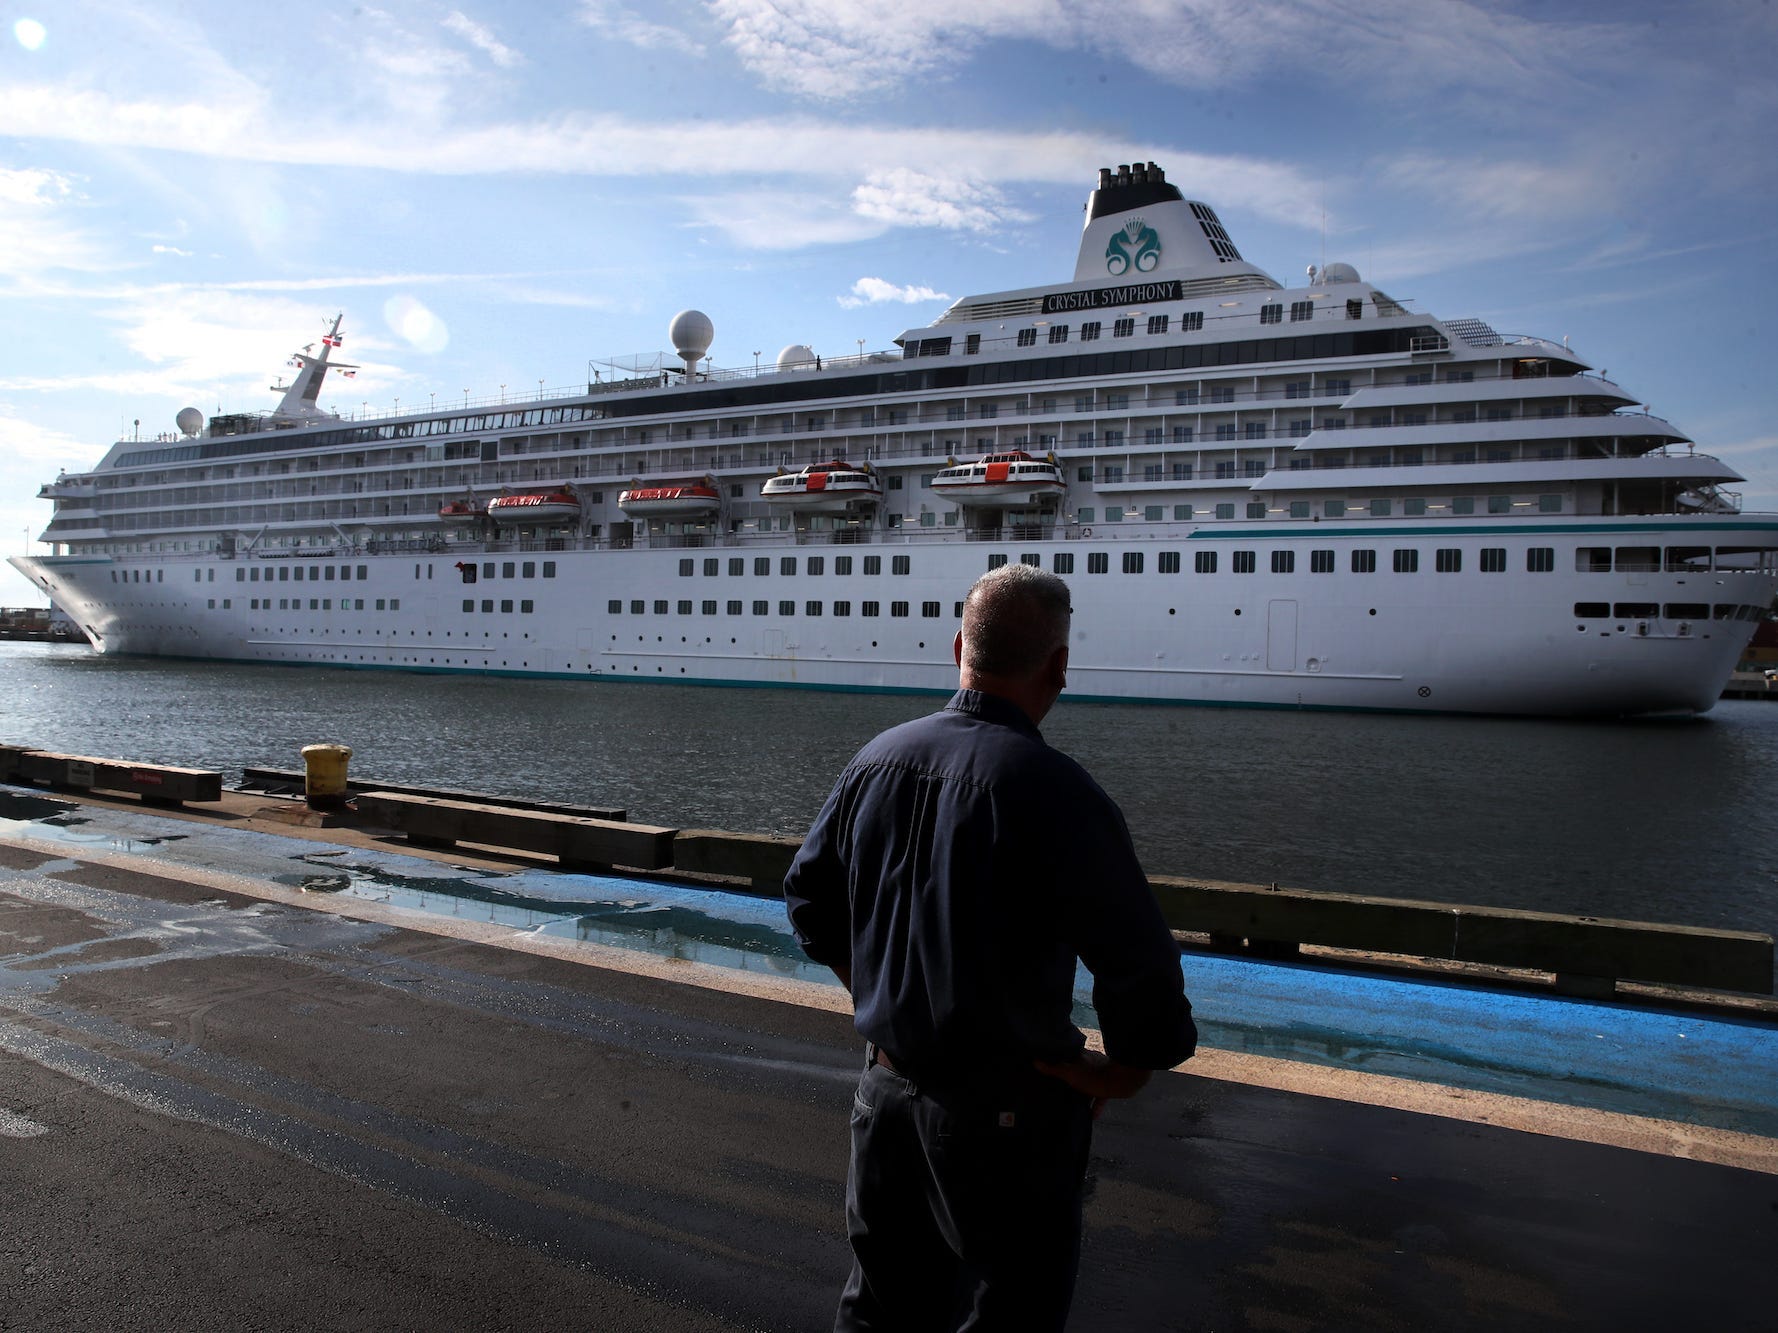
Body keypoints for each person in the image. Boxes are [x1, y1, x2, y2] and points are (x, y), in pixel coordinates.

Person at [784, 562, 1196, 1332]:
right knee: (1007, 1315)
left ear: (958, 649)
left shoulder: (876, 759)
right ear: (1060, 665)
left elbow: (808, 897)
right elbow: (1139, 964)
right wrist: (1124, 1070)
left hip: (883, 1099)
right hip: (1007, 1119)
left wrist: (872, 990)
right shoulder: (1058, 791)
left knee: (879, 1308)